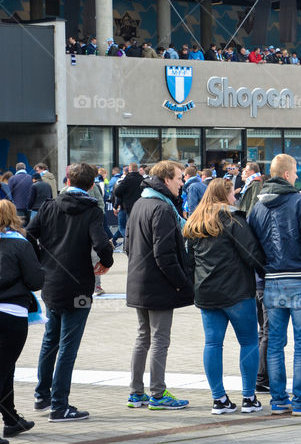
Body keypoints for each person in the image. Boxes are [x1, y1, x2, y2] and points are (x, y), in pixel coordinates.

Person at [26, 162, 113, 422]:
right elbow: (101, 243)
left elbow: (29, 235)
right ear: (91, 185)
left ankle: (42, 395)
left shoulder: (48, 206)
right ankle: (60, 405)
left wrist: (42, 259)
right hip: (79, 285)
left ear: (66, 180)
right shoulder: (92, 210)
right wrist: (105, 263)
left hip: (51, 282)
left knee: (50, 339)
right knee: (67, 346)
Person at [246, 154, 301, 416]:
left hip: (271, 282)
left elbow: (253, 248)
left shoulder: (256, 208)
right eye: (295, 172)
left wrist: (264, 273)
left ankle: (279, 400)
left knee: (275, 342)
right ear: (289, 174)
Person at [183, 178, 266, 415]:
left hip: (207, 293)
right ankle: (249, 398)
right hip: (237, 291)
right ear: (224, 196)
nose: (235, 198)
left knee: (212, 343)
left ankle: (219, 400)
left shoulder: (195, 222)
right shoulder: (233, 220)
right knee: (248, 342)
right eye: (232, 194)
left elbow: (188, 262)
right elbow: (252, 255)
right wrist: (268, 275)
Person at [125, 160, 193, 410]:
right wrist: (181, 283)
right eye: (178, 178)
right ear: (166, 180)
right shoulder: (162, 209)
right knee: (159, 339)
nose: (182, 183)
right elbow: (164, 254)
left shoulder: (140, 203)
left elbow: (127, 246)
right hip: (158, 285)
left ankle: (136, 392)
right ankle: (157, 393)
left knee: (143, 337)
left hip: (138, 281)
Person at [0, 200, 42, 439]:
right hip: (12, 313)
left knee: (6, 368)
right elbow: (36, 281)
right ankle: (10, 418)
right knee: (4, 369)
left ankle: (11, 418)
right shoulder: (20, 243)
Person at [111, 163, 144, 248]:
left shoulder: (127, 179)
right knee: (135, 226)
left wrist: (122, 197)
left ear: (129, 169)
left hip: (128, 206)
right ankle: (131, 244)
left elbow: (117, 191)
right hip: (140, 206)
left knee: (124, 226)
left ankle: (128, 243)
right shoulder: (142, 179)